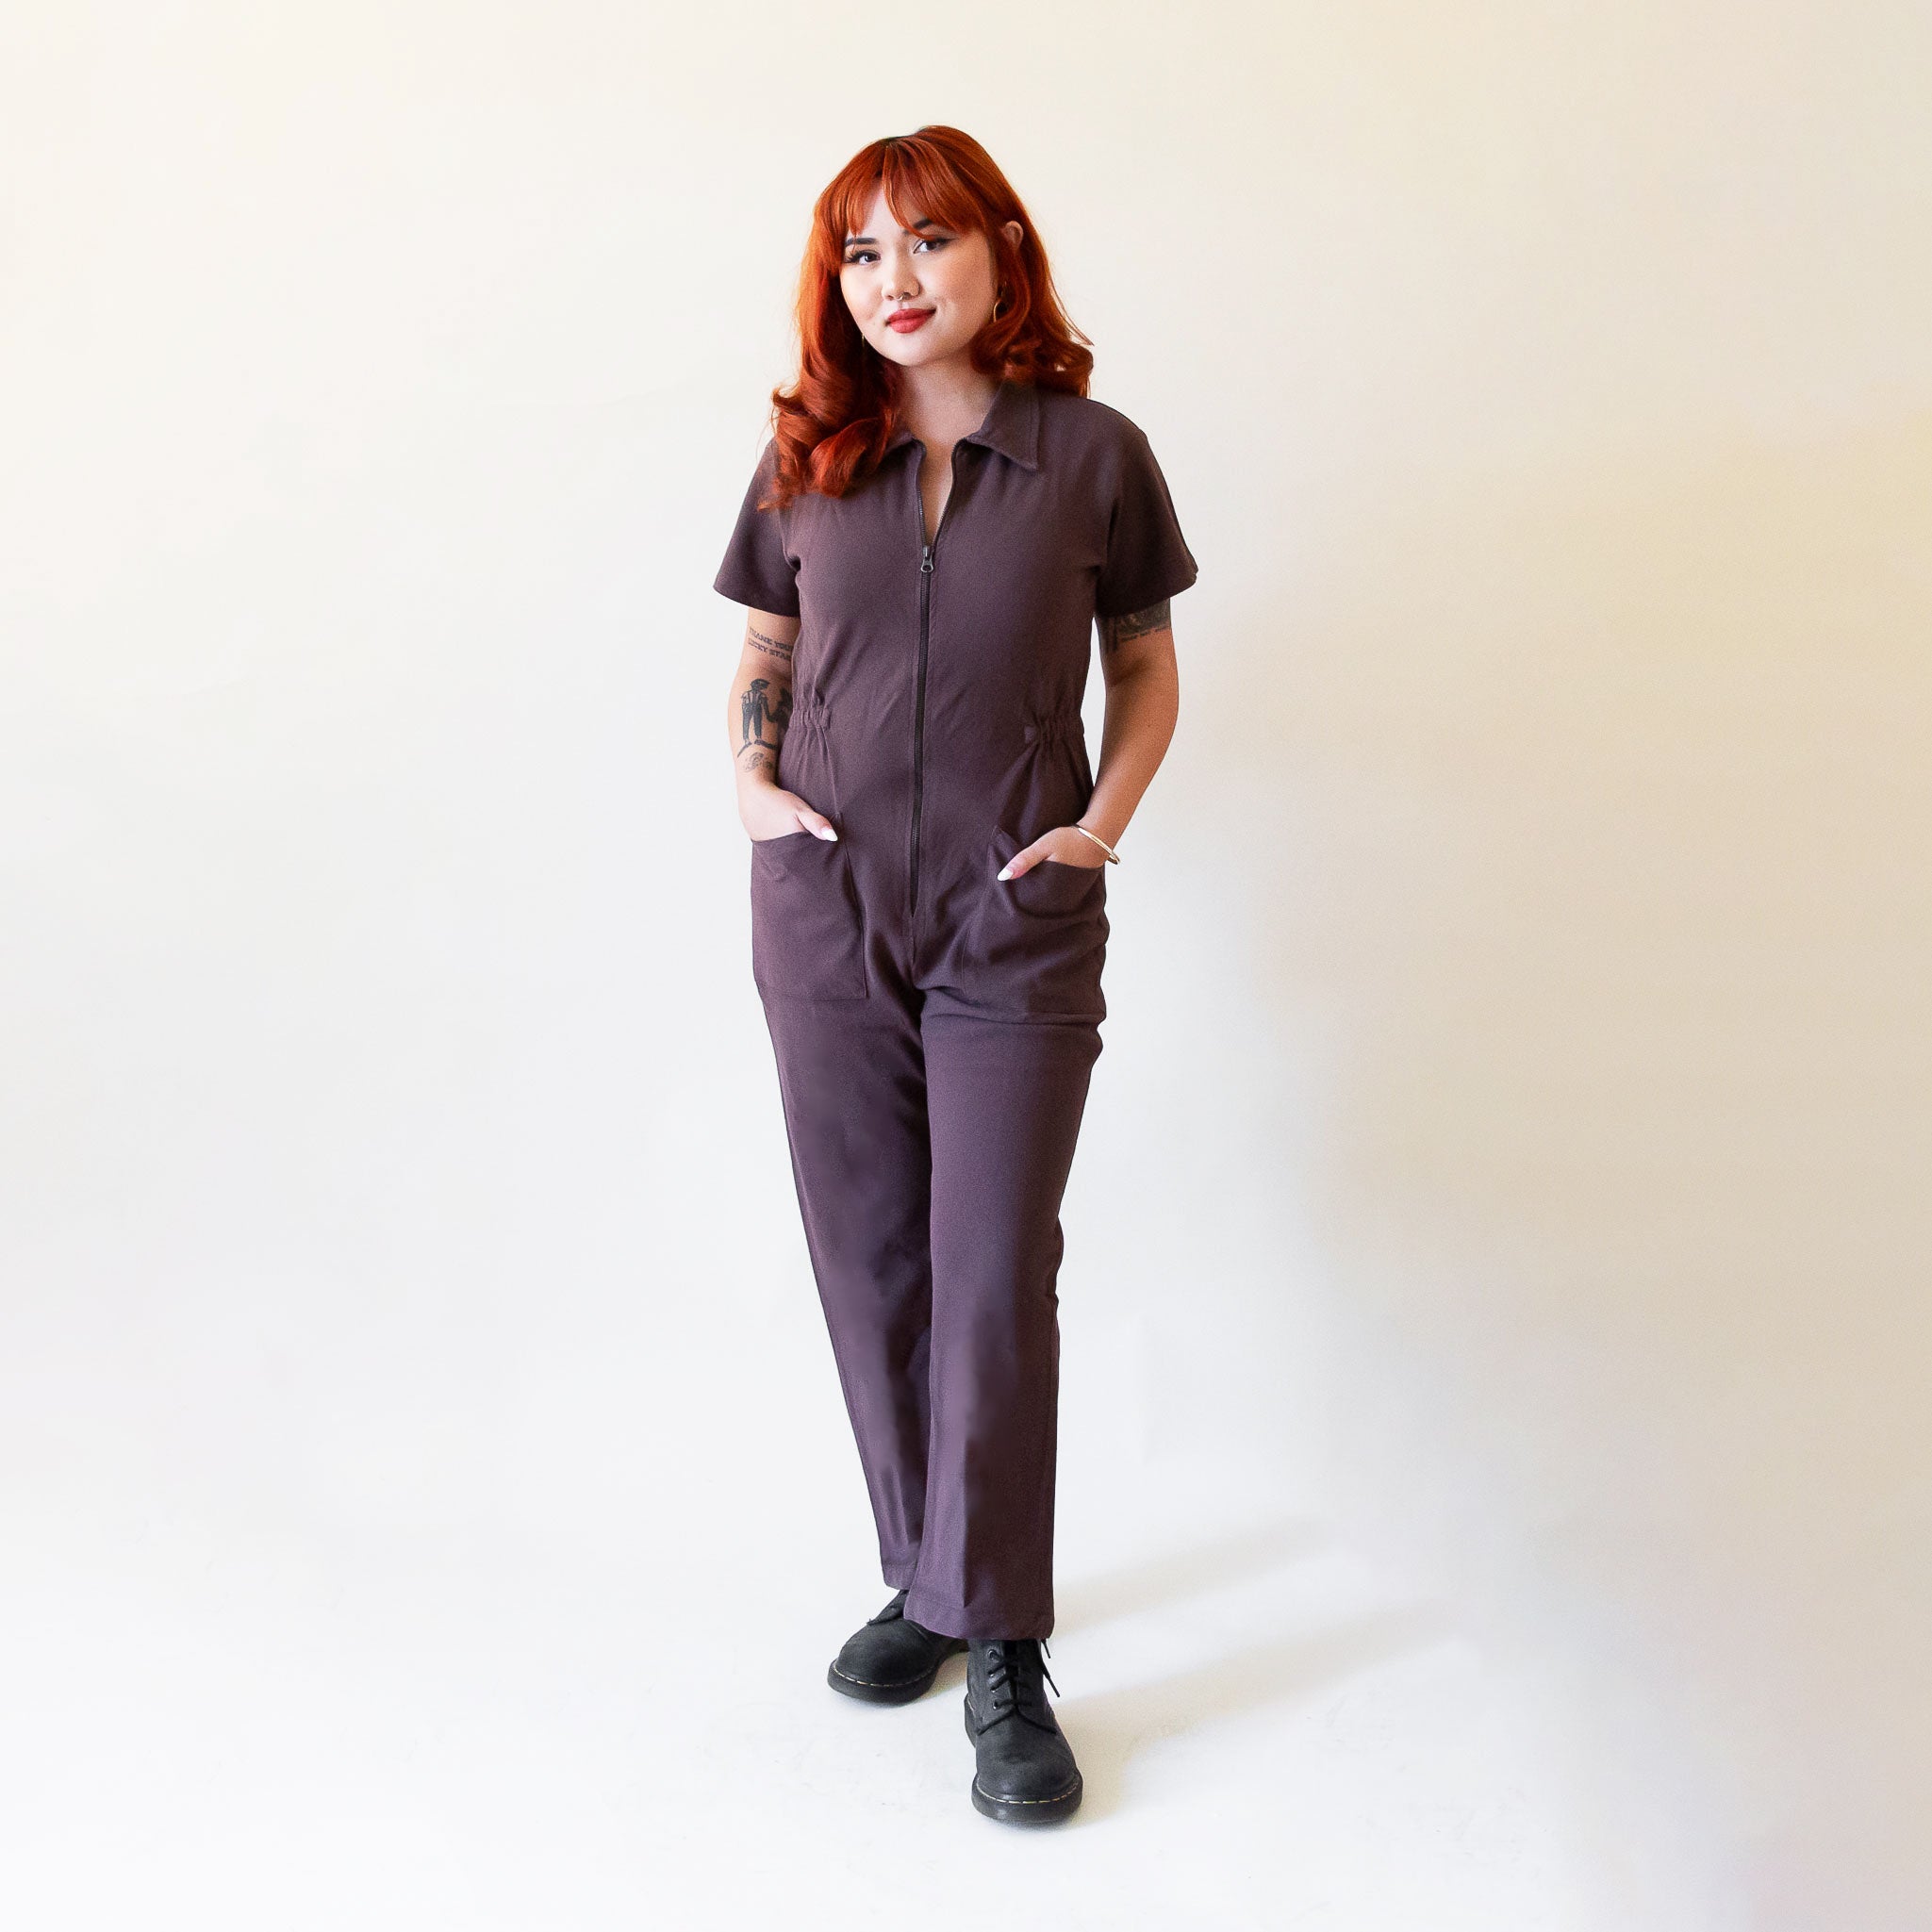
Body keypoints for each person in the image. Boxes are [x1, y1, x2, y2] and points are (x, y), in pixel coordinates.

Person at [712, 125, 1197, 1827]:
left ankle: (998, 1642)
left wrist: (1097, 826)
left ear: (999, 251)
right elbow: (763, 651)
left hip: (1013, 911)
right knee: (872, 1259)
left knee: (993, 1270)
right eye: (860, 253)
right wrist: (756, 786)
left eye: (925, 241)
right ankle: (926, 1576)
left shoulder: (1091, 456)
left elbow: (1142, 669)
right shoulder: (809, 457)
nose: (893, 279)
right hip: (825, 911)